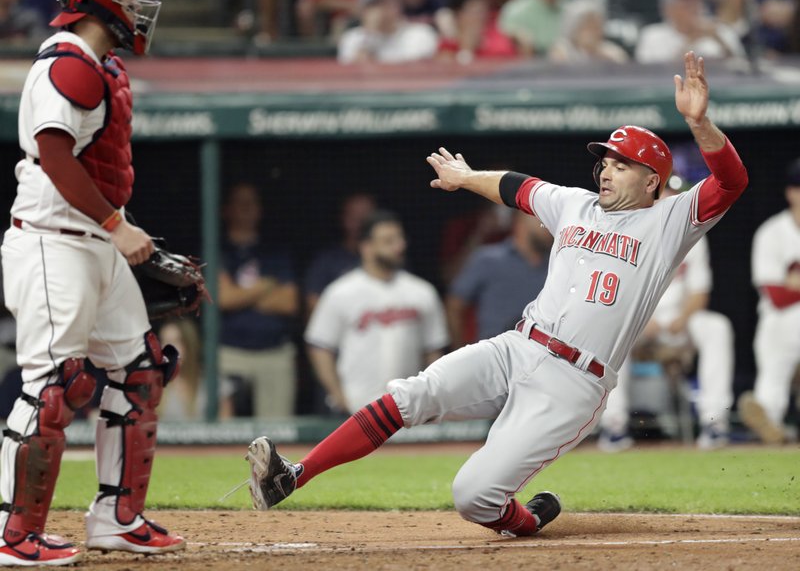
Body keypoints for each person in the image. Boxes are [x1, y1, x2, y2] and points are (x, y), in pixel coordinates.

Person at [246, 52, 747, 537]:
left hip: (573, 383)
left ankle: (526, 521)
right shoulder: (575, 204)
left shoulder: (670, 220)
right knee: (410, 395)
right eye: (606, 161)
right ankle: (294, 475)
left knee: (473, 496)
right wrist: (465, 179)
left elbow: (732, 181)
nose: (606, 169)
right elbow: (517, 187)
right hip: (519, 345)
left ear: (651, 179)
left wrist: (701, 126)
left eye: (621, 163)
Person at [0, 0, 184, 566]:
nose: (139, 8)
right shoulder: (68, 62)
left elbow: (96, 167)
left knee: (141, 373)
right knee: (52, 389)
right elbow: (53, 156)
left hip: (94, 240)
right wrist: (114, 223)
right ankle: (12, 534)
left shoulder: (102, 65)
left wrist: (124, 231)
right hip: (53, 241)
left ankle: (115, 518)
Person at [598, 177, 735, 451]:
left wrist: (683, 318)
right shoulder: (627, 231)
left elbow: (699, 292)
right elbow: (613, 290)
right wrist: (640, 318)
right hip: (636, 322)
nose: (669, 201)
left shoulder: (693, 235)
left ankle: (714, 421)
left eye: (674, 195)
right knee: (609, 329)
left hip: (678, 322)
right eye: (665, 195)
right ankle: (613, 424)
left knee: (717, 326)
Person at [305, 210, 449, 413]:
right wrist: (338, 397)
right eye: (389, 241)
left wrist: (429, 399)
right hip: (356, 407)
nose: (399, 246)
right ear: (366, 247)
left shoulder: (422, 292)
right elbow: (320, 346)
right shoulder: (341, 291)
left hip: (407, 410)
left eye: (400, 239)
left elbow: (433, 350)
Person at [218, 182, 299, 418]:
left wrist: (241, 294)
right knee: (222, 432)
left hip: (273, 351)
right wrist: (265, 286)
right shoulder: (219, 248)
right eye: (240, 203)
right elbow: (224, 298)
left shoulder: (274, 250)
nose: (246, 208)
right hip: (229, 352)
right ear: (227, 209)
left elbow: (289, 303)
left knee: (276, 431)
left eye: (251, 203)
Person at [739, 158, 800, 445]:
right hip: (781, 323)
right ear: (791, 192)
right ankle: (768, 417)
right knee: (786, 322)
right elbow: (777, 296)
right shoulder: (772, 233)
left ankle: (769, 413)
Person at [447, 211, 551, 348]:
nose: (551, 228)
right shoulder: (489, 259)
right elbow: (455, 305)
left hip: (541, 356)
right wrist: (461, 351)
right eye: (544, 223)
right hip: (494, 356)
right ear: (520, 222)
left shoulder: (558, 265)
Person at [635, 0, 745, 63]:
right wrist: (691, 41)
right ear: (668, 8)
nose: (694, 6)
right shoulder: (653, 36)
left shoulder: (721, 30)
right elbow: (650, 77)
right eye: (686, 1)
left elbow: (742, 72)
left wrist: (719, 41)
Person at [337, 0, 440, 64]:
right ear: (364, 10)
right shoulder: (352, 39)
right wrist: (370, 36)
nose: (386, 8)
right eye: (377, 4)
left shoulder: (421, 34)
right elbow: (357, 77)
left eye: (391, 1)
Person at [305, 192, 376, 313]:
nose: (361, 224)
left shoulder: (389, 259)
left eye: (366, 217)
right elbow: (313, 306)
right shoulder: (326, 261)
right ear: (344, 219)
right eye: (355, 217)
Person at [548, 0, 630, 64]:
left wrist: (601, 56)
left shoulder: (610, 50)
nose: (593, 32)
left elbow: (623, 68)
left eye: (597, 26)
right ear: (573, 27)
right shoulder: (562, 49)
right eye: (587, 26)